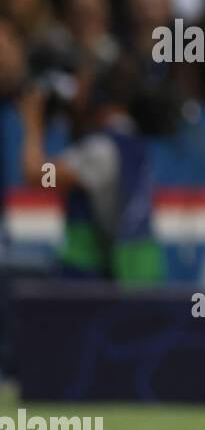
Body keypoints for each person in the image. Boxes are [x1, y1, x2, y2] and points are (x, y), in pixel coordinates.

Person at [17, 62, 165, 283]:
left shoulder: (101, 151)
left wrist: (33, 126)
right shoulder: (132, 141)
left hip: (91, 275)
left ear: (99, 97)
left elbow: (37, 175)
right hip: (139, 270)